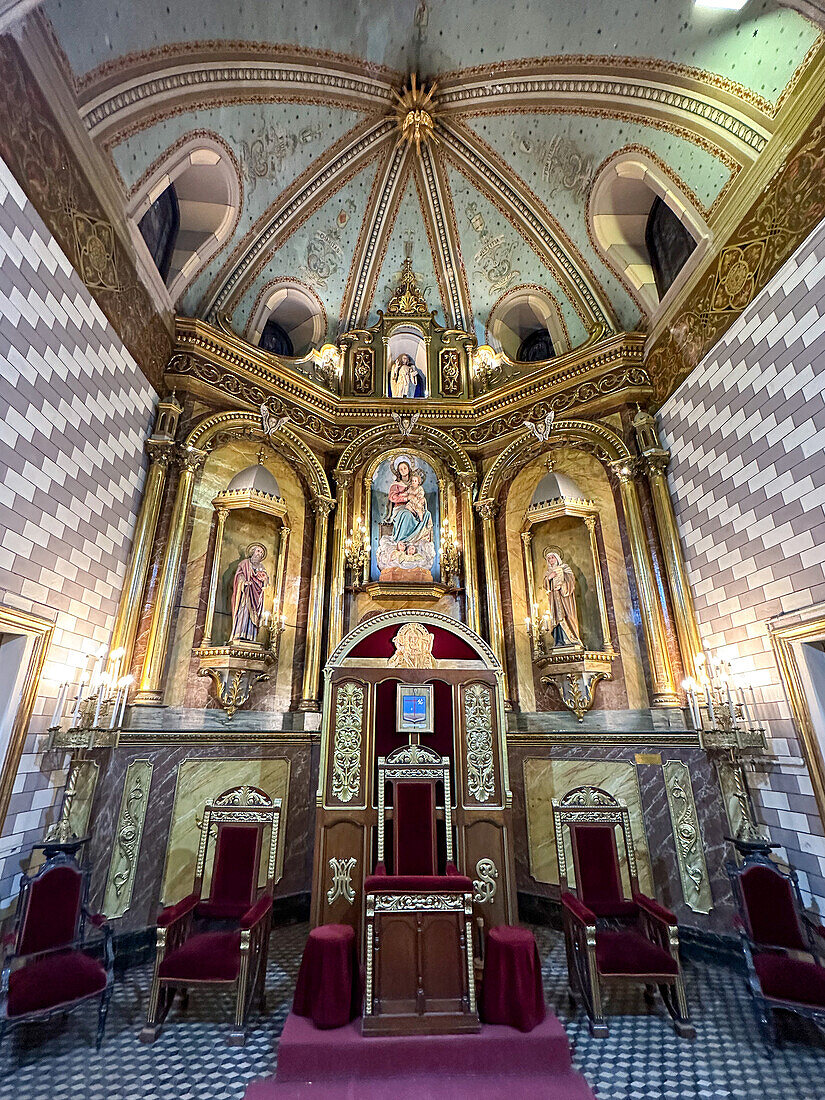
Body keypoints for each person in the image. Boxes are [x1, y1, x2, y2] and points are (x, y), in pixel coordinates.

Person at [230, 543, 270, 643]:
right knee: (244, 612)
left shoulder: (262, 567)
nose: (259, 554)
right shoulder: (245, 563)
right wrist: (244, 582)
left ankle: (251, 636)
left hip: (257, 595)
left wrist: (264, 580)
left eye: (261, 552)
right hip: (246, 593)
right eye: (258, 551)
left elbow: (266, 582)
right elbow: (239, 575)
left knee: (254, 615)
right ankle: (240, 633)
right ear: (253, 552)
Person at [542, 549, 582, 648]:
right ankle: (559, 640)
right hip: (554, 600)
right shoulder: (548, 572)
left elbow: (571, 582)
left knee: (567, 617)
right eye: (549, 558)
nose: (551, 560)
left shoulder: (565, 568)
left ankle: (571, 638)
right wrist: (549, 578)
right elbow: (545, 585)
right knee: (556, 618)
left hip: (565, 599)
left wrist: (562, 586)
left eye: (552, 557)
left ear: (557, 558)